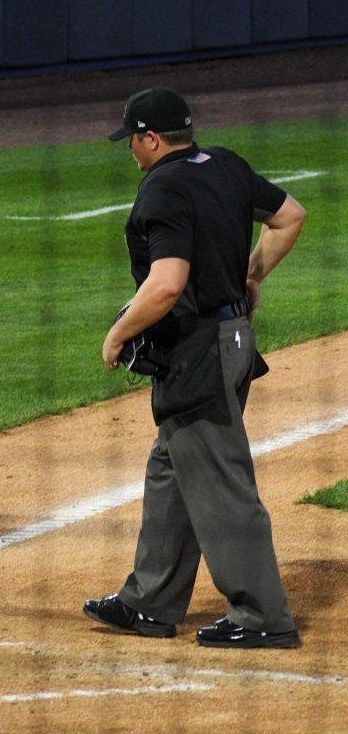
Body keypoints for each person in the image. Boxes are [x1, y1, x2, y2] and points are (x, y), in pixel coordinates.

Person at [84, 87, 307, 648]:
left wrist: (117, 335)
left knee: (223, 484)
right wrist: (252, 278)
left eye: (132, 140)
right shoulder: (225, 165)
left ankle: (262, 617)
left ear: (151, 138)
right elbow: (289, 216)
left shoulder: (162, 186)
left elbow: (166, 284)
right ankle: (149, 602)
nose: (130, 151)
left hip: (199, 353)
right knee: (174, 467)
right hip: (232, 341)